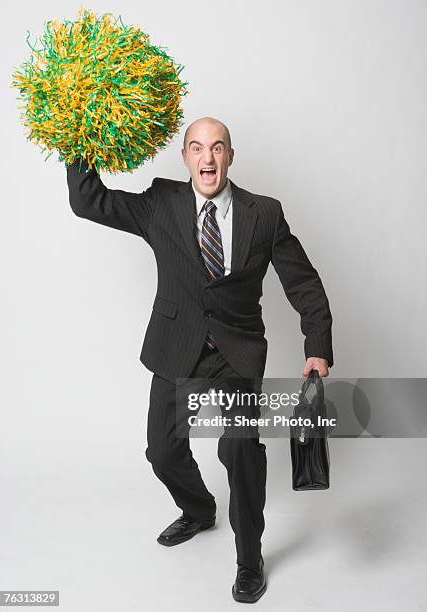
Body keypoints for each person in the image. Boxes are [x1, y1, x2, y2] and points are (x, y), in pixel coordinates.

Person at [66, 116, 333, 603]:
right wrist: (76, 130)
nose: (207, 158)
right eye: (196, 148)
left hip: (236, 353)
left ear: (231, 155)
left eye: (216, 148)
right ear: (185, 157)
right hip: (176, 347)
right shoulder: (160, 204)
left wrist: (317, 346)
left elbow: (303, 282)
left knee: (239, 451)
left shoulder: (264, 213)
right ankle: (199, 509)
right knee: (162, 452)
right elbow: (89, 201)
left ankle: (249, 561)